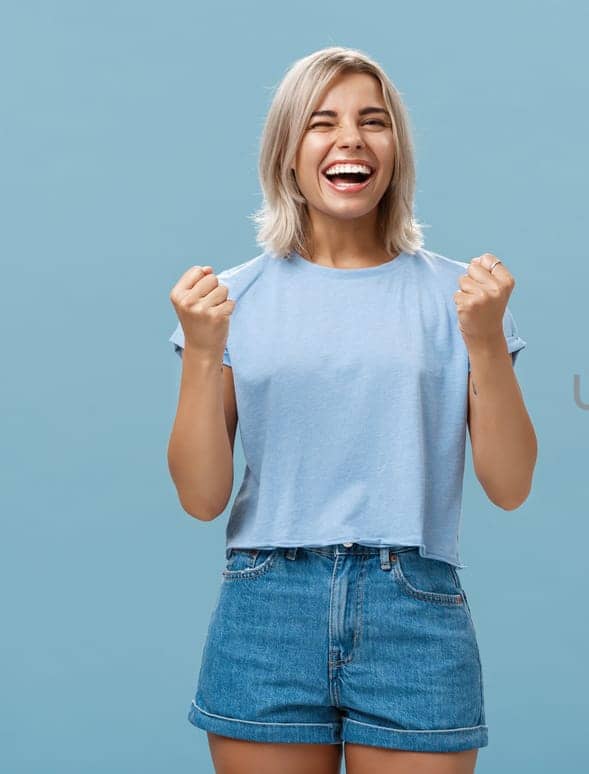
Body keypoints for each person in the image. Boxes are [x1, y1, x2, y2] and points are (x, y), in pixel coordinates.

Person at [165, 46, 536, 774]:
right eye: (321, 123)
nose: (350, 140)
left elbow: (511, 485)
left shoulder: (460, 299)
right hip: (267, 607)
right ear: (288, 153)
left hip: (415, 608)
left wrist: (486, 342)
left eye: (374, 121)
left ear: (396, 150)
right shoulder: (229, 300)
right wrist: (205, 353)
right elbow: (202, 498)